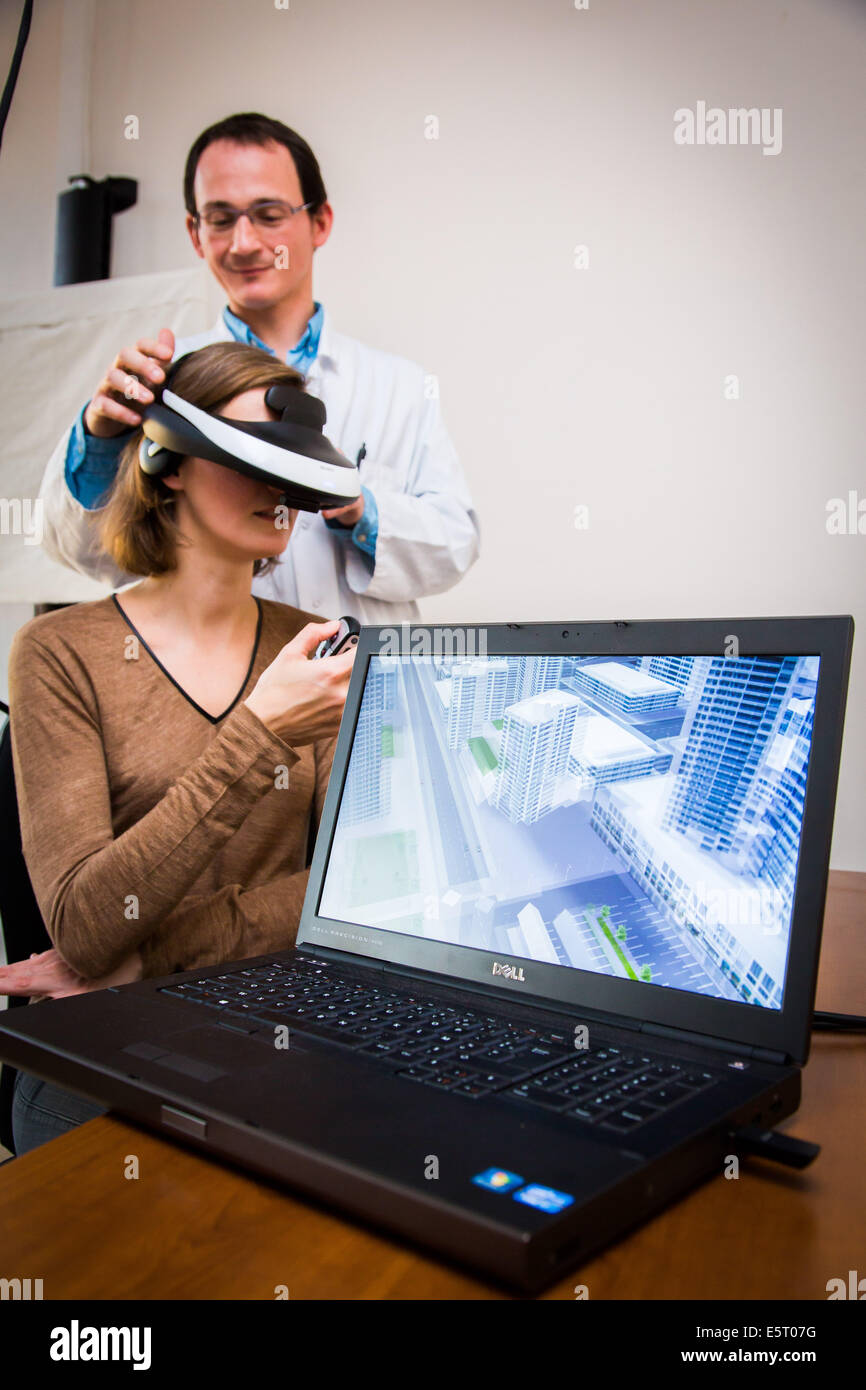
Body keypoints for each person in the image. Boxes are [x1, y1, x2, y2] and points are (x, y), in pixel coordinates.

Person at [4, 341, 356, 1154]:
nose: (280, 490)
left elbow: (347, 897)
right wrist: (259, 734)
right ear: (167, 463)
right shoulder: (60, 652)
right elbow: (89, 928)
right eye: (252, 459)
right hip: (113, 1044)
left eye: (293, 467)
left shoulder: (317, 648)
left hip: (281, 1030)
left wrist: (155, 952)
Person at [38, 111, 480, 621]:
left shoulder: (398, 386)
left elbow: (455, 543)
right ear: (195, 233)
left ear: (319, 222)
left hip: (361, 682)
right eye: (221, 219)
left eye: (268, 214)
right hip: (211, 687)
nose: (244, 243)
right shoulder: (159, 383)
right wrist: (100, 443)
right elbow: (84, 552)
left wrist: (359, 507)